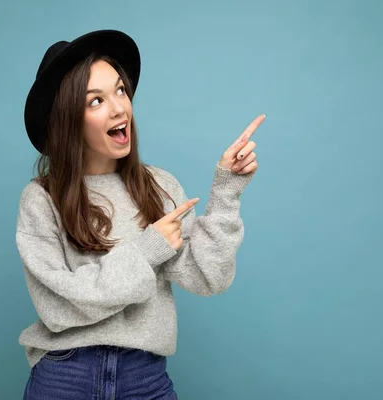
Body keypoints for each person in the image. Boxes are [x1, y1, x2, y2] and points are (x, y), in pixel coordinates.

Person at [16, 29, 264, 400]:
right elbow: (58, 307)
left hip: (143, 378)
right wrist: (148, 251)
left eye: (119, 90)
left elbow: (209, 276)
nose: (119, 107)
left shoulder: (158, 187)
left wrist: (227, 190)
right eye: (95, 101)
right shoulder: (41, 199)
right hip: (65, 377)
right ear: (69, 120)